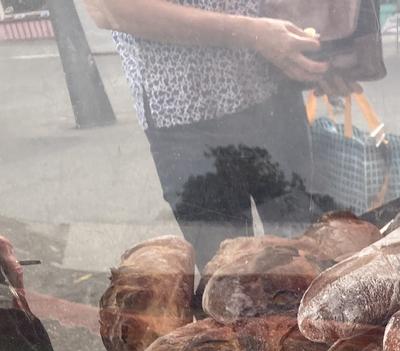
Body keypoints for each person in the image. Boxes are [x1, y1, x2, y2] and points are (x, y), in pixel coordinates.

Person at [87, 0, 343, 269]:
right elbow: (108, 9)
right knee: (232, 282)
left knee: (317, 259)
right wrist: (252, 34)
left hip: (273, 95)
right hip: (187, 117)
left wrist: (319, 51)